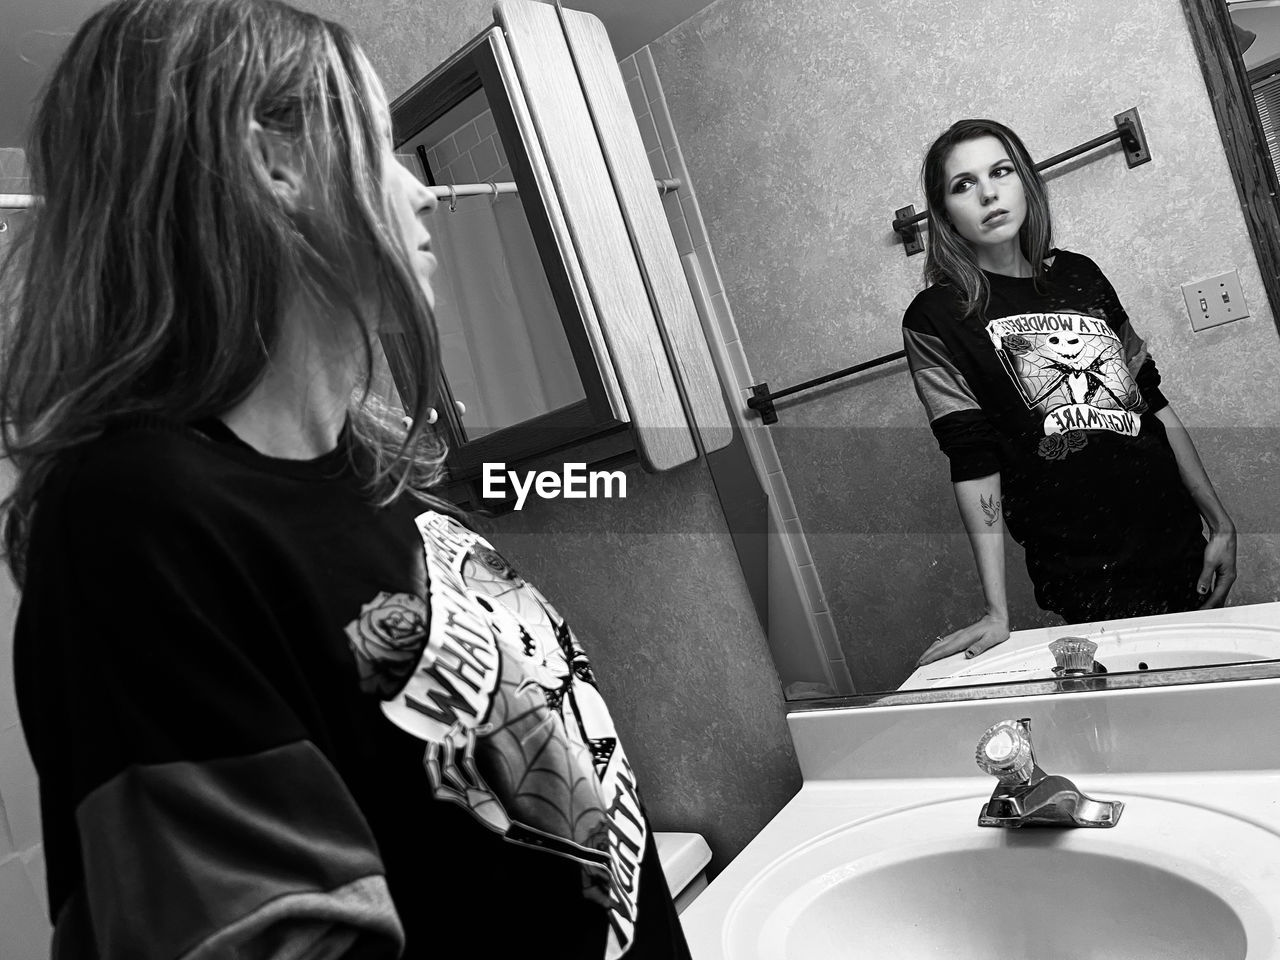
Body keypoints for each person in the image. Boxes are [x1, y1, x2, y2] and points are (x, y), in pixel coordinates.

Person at [0, 1, 692, 957]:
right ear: (272, 163)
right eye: (378, 145)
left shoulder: (374, 484)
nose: (425, 193)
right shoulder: (138, 516)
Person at [904, 119, 1237, 667]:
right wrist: (995, 609)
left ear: (1026, 183)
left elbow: (1151, 402)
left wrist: (1218, 522)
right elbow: (972, 460)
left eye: (1001, 171)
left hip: (1177, 534)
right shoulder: (937, 318)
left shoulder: (1080, 274)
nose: (988, 193)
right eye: (963, 185)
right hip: (1084, 566)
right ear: (944, 215)